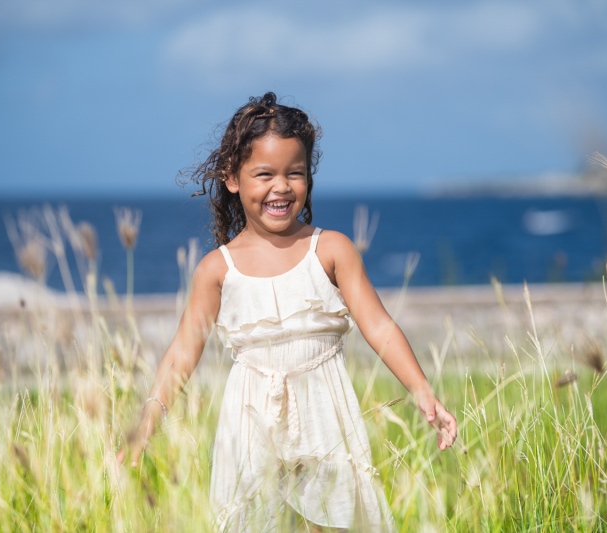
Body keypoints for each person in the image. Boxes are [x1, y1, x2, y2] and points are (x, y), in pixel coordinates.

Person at [117, 92, 457, 531]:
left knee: (330, 522)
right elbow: (183, 351)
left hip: (323, 413)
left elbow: (378, 326)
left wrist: (422, 389)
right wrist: (146, 423)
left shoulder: (331, 249)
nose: (281, 186)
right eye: (264, 174)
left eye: (294, 173)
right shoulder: (217, 269)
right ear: (232, 178)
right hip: (250, 420)